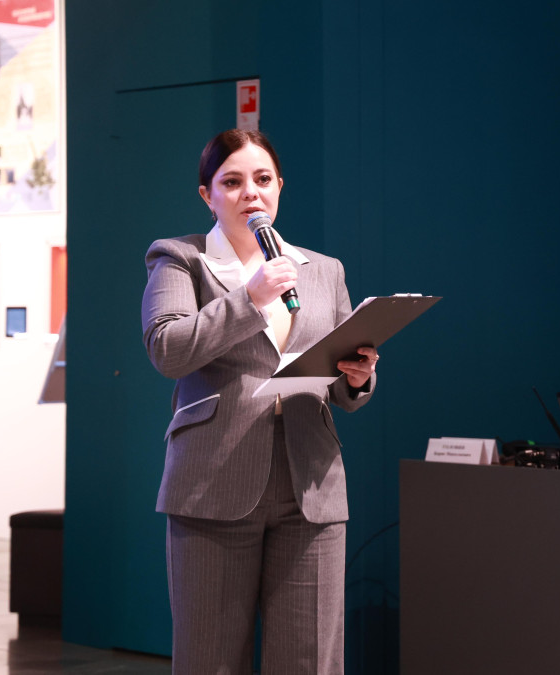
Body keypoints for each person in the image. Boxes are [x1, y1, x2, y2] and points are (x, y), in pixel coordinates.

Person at [141, 128, 378, 674]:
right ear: (208, 195)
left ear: (279, 188)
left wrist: (358, 377)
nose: (251, 192)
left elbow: (342, 387)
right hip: (214, 479)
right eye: (233, 182)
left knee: (309, 660)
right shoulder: (180, 259)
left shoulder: (323, 270)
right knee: (210, 658)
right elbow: (168, 349)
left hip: (310, 482)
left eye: (263, 179)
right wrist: (249, 297)